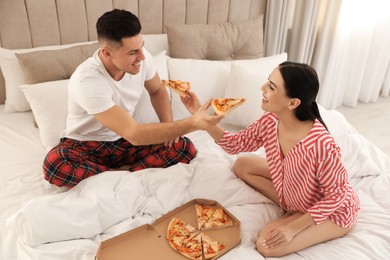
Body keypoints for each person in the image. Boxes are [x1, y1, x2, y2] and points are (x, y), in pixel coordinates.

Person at [181, 61, 360, 257]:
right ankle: (292, 206)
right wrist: (202, 117)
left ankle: (299, 213)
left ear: (293, 103)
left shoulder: (321, 145)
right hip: (295, 191)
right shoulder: (271, 120)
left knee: (266, 245)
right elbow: (234, 145)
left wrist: (293, 228)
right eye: (268, 82)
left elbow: (337, 196)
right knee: (242, 165)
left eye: (271, 87)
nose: (262, 88)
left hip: (333, 211)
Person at [42, 9, 223, 188]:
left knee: (183, 148)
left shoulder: (143, 58)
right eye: (132, 52)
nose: (142, 56)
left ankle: (111, 177)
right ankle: (128, 175)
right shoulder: (88, 80)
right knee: (55, 165)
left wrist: (168, 127)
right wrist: (194, 122)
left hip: (125, 143)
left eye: (141, 46)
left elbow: (157, 90)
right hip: (87, 144)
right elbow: (134, 134)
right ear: (107, 53)